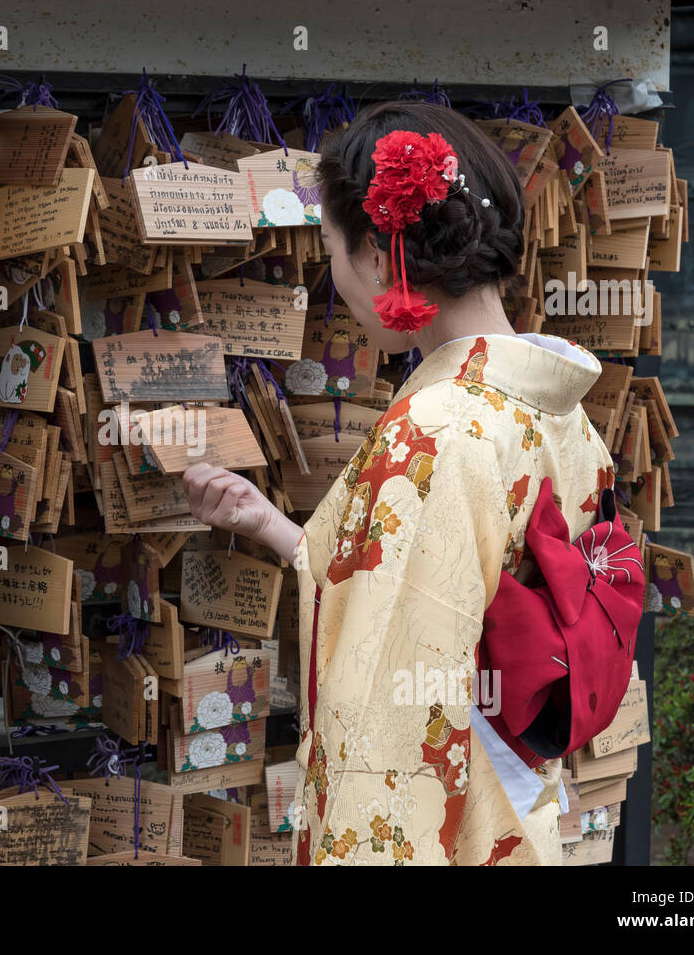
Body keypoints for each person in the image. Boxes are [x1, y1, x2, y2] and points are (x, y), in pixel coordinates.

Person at [183, 101, 615, 866]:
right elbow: (426, 584)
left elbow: (385, 700)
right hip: (527, 798)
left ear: (383, 260)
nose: (334, 280)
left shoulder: (435, 429)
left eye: (333, 253)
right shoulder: (555, 410)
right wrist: (277, 529)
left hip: (459, 817)